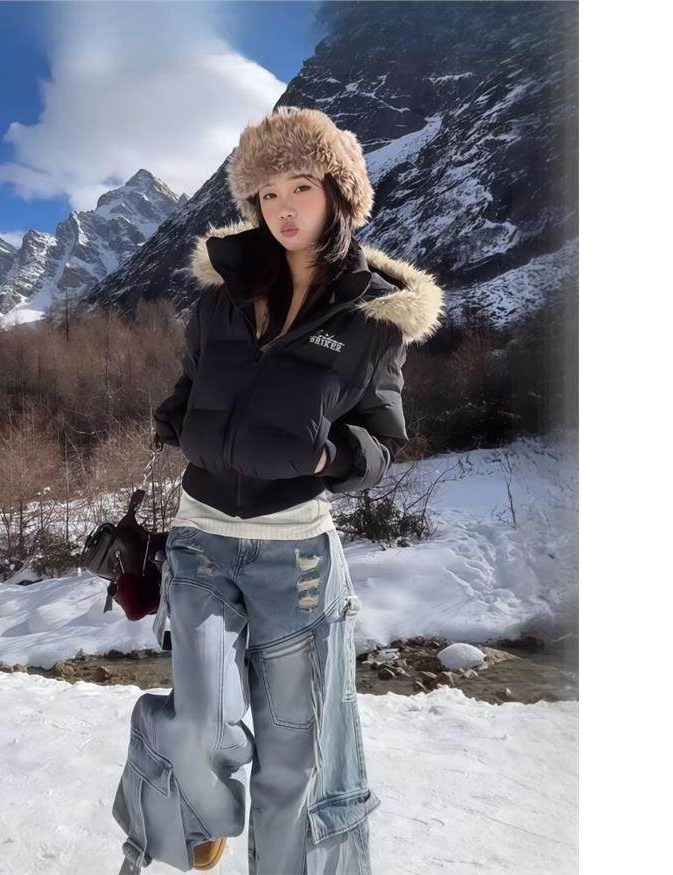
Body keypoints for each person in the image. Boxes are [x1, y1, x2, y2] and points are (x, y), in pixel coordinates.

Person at [112, 106, 444, 875]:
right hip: (199, 539)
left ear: (338, 193)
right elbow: (195, 381)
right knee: (199, 720)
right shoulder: (221, 297)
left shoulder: (372, 317)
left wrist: (328, 454)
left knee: (296, 760)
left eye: (300, 186)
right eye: (266, 193)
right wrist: (181, 419)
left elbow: (383, 442)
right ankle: (189, 804)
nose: (283, 208)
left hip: (294, 556)